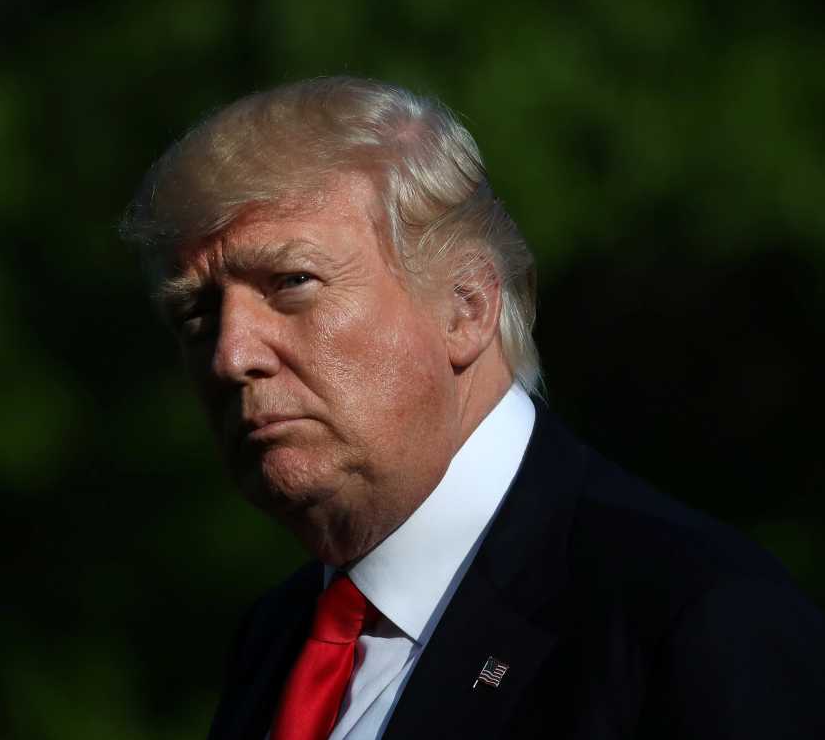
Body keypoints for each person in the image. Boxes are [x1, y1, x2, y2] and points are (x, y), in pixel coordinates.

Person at [120, 77, 825, 739]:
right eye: (196, 313)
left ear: (466, 305)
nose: (230, 353)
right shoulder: (276, 639)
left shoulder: (698, 622)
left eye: (292, 280)